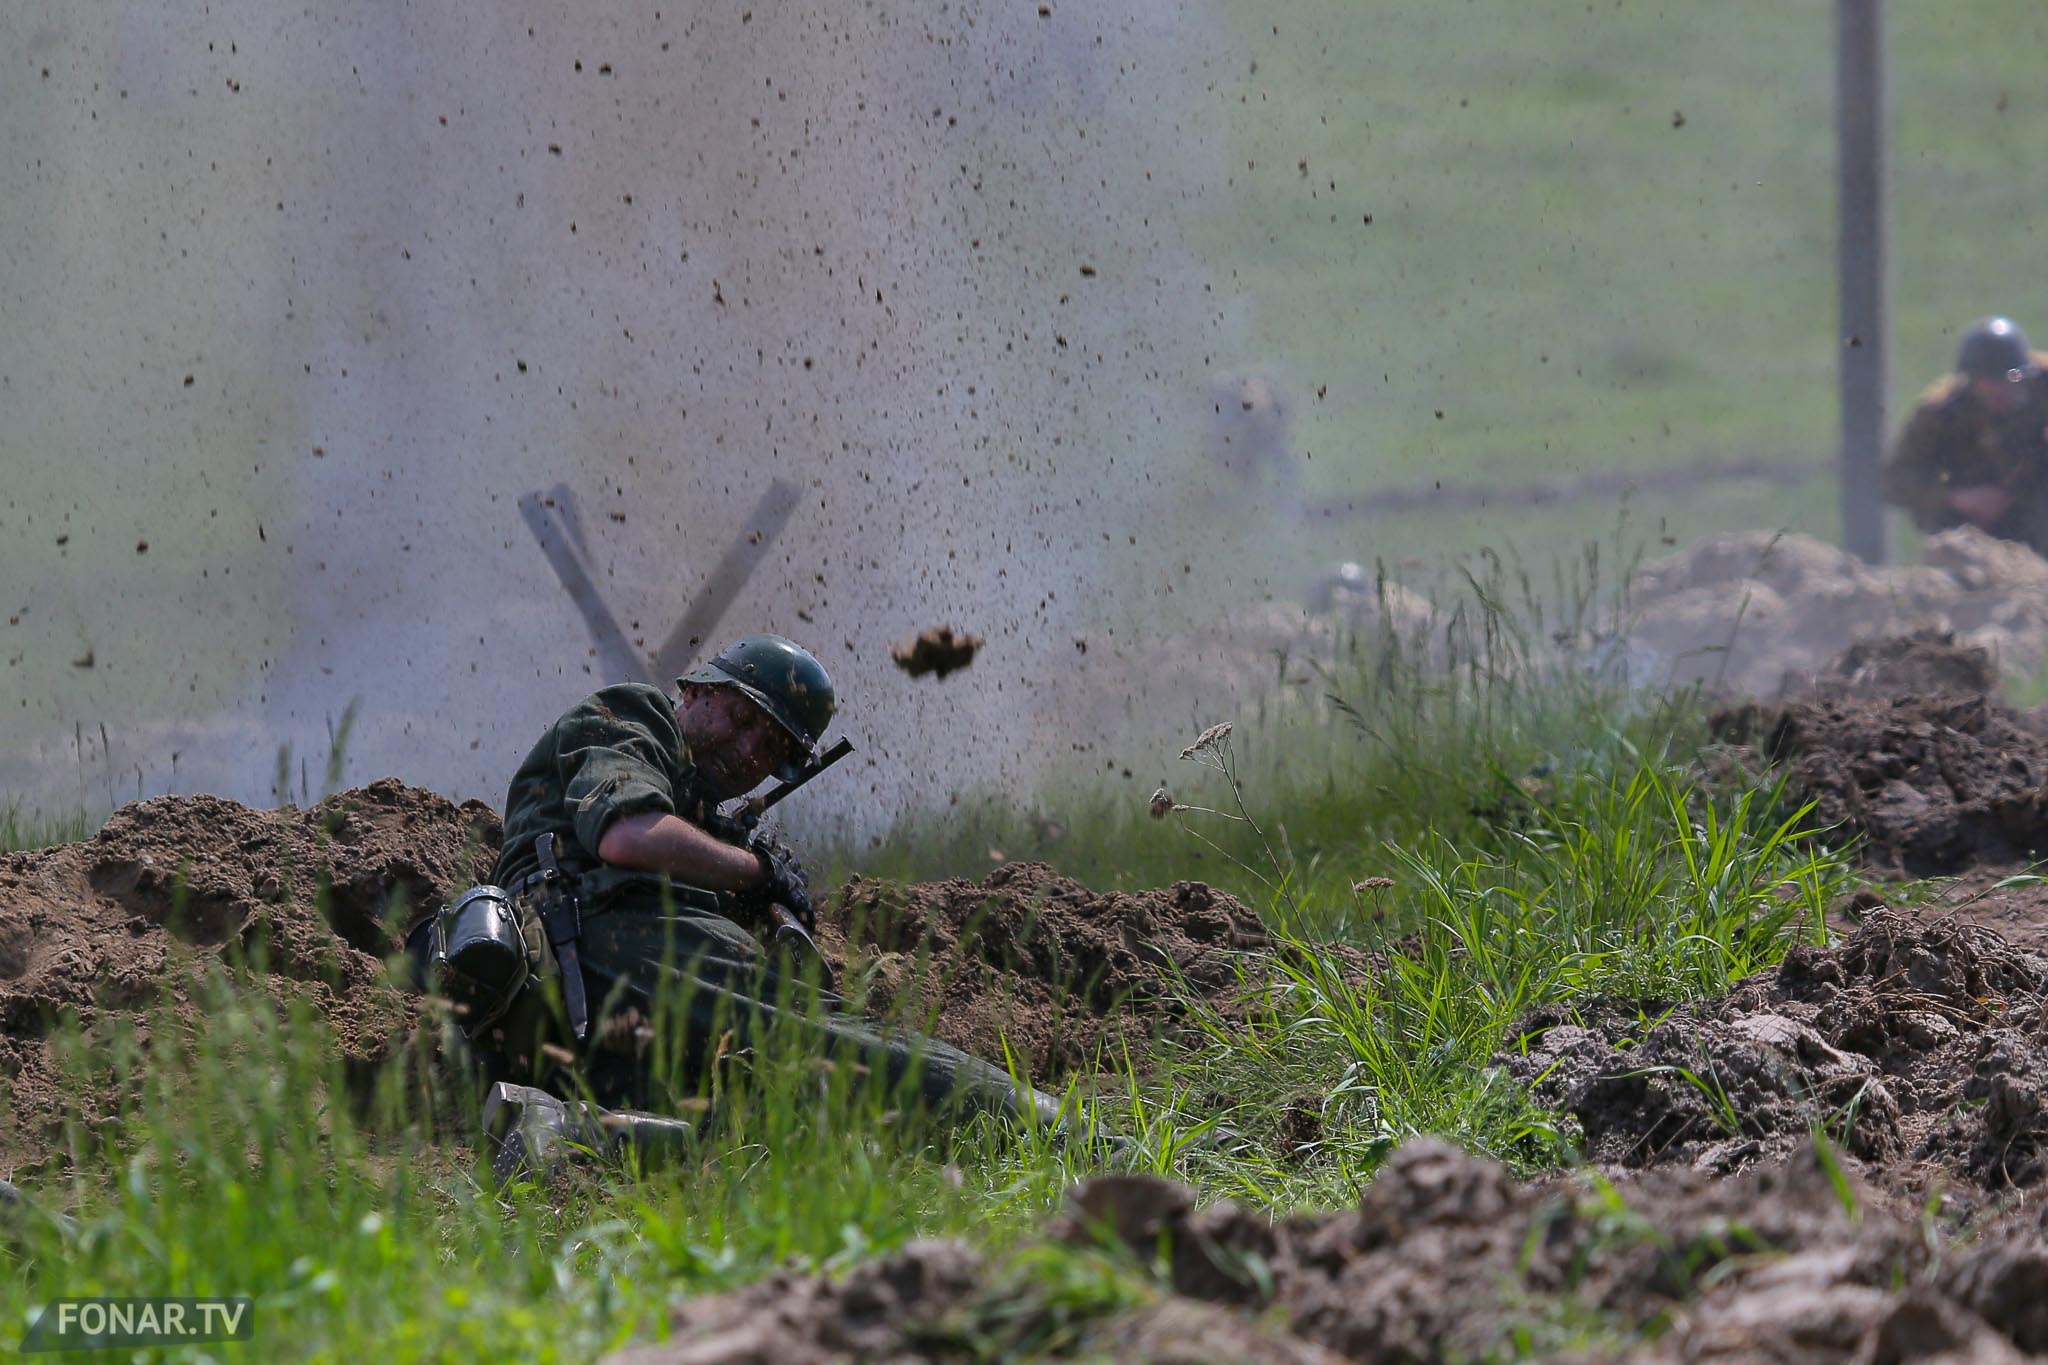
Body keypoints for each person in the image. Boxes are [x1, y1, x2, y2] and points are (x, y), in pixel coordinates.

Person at [419, 633, 1062, 1136]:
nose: (749, 750)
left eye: (772, 747)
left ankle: (557, 1131)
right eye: (745, 717)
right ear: (697, 691)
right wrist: (757, 873)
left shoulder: (699, 815)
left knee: (766, 1122)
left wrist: (775, 908)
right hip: (608, 940)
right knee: (838, 1043)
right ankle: (1070, 1135)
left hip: (603, 1001)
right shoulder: (636, 714)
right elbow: (627, 837)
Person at [1879, 316, 2048, 554]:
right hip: (1975, 528)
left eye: (2010, 378)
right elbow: (1894, 481)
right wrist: (1955, 497)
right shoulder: (1940, 412)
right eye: (1988, 380)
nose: (1999, 388)